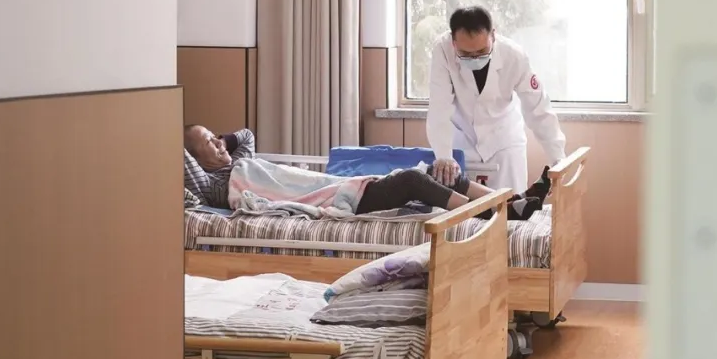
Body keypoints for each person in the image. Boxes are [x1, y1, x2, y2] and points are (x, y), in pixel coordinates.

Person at [182, 124, 549, 219]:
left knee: (438, 175)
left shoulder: (238, 157)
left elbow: (245, 135)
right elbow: (179, 156)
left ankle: (511, 202)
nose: (219, 142)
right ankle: (495, 214)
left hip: (336, 184)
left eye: (217, 136)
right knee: (411, 180)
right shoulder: (214, 185)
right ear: (198, 160)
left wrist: (220, 141)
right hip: (336, 197)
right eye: (209, 143)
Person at [427, 6, 567, 192]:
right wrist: (444, 155)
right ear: (453, 42)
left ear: (493, 35)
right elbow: (439, 107)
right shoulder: (442, 50)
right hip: (462, 142)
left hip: (504, 142)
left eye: (482, 51)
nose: (475, 58)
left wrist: (557, 159)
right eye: (466, 54)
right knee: (464, 208)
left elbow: (538, 108)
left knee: (513, 205)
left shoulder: (514, 56)